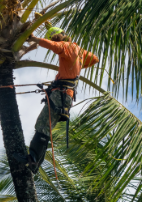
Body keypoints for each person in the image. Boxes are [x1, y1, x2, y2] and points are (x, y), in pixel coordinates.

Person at [23, 27, 99, 173]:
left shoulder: (66, 46)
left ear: (57, 38)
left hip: (61, 95)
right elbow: (95, 59)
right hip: (65, 96)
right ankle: (34, 163)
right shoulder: (78, 50)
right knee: (46, 126)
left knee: (43, 125)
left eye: (53, 39)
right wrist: (79, 62)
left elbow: (54, 46)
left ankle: (33, 160)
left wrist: (33, 38)